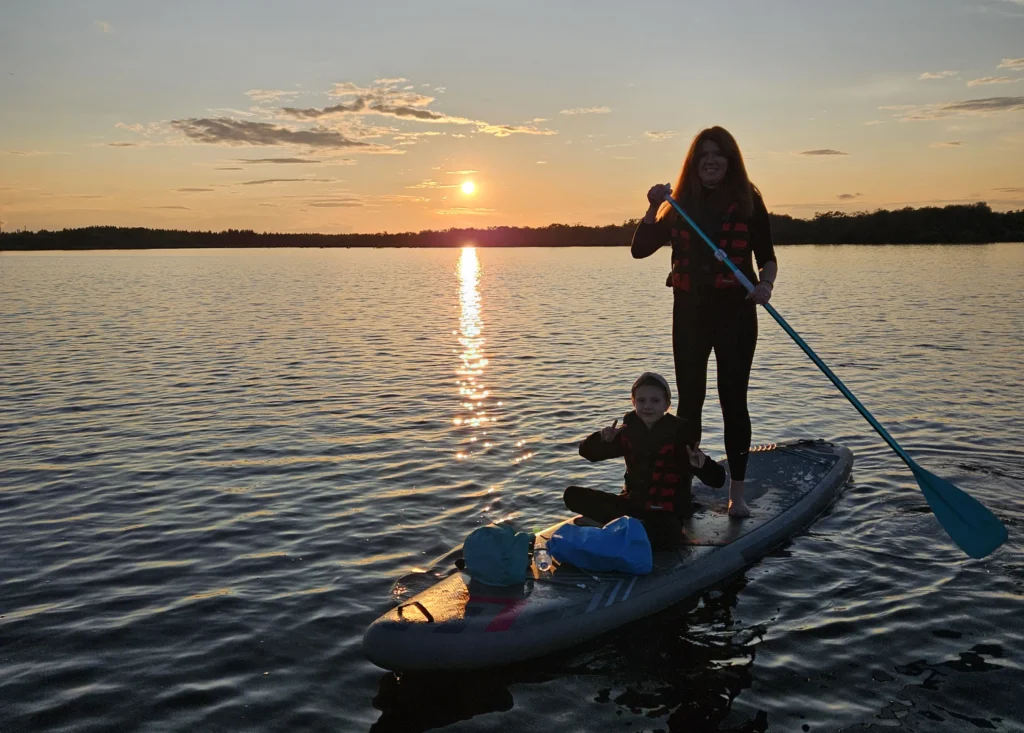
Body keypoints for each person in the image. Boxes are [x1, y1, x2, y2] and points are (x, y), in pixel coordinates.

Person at [631, 126, 778, 518]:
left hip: (736, 313)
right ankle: (683, 489)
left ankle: (737, 495)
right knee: (689, 405)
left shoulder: (748, 200)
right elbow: (639, 249)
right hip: (690, 313)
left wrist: (765, 283)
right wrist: (651, 208)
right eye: (703, 155)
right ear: (693, 162)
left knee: (734, 401)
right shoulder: (679, 203)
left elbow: (767, 255)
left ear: (730, 160)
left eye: (718, 154)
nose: (710, 160)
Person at [562, 372, 726, 550]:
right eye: (641, 401)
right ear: (633, 403)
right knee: (571, 495)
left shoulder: (679, 438)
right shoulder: (626, 432)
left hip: (665, 514)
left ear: (667, 405)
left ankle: (610, 527)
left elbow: (718, 480)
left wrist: (703, 466)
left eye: (655, 401)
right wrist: (600, 439)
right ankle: (624, 528)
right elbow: (587, 453)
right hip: (631, 506)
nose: (648, 406)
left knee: (667, 534)